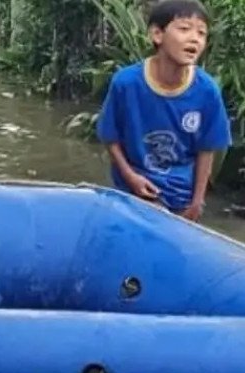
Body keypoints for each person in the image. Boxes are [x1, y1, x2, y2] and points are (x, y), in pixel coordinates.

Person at [95, 0, 231, 221]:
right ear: (157, 34)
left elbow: (207, 149)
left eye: (201, 33)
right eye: (184, 29)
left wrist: (197, 202)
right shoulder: (126, 83)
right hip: (131, 191)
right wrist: (131, 177)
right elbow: (110, 137)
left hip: (180, 197)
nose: (195, 38)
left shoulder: (207, 91)